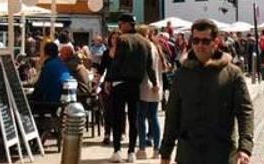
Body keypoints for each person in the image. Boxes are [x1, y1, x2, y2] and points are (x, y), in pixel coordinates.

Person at [160, 19, 253, 164]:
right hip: (188, 154)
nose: (199, 46)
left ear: (216, 42)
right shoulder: (182, 74)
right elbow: (172, 114)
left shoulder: (232, 74)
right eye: (195, 41)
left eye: (205, 41)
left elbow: (245, 112)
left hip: (221, 154)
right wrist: (166, 151)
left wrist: (245, 148)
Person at [106, 14, 155, 163]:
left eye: (120, 24)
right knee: (133, 118)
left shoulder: (122, 39)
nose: (119, 27)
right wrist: (155, 83)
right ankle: (131, 151)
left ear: (127, 24)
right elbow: (149, 66)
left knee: (117, 117)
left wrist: (109, 79)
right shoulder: (145, 42)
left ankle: (117, 150)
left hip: (119, 83)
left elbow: (117, 62)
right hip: (135, 84)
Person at [136, 25, 164, 160]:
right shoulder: (155, 47)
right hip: (156, 86)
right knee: (153, 117)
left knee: (141, 118)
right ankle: (156, 149)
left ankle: (142, 149)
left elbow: (148, 67)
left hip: (145, 85)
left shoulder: (144, 47)